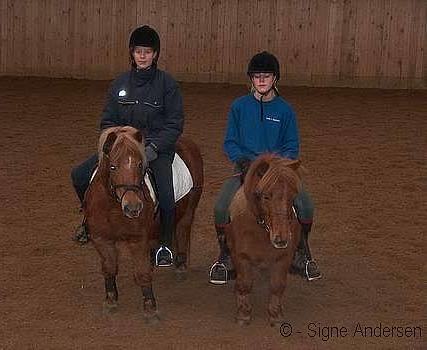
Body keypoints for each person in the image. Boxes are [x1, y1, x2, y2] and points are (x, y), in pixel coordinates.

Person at [70, 25, 183, 268]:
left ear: (155, 55)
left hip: (154, 148)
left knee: (166, 193)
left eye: (147, 52)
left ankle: (164, 243)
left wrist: (154, 148)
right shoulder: (119, 83)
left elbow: (174, 124)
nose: (142, 56)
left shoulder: (167, 85)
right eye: (138, 51)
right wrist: (113, 144)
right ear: (132, 54)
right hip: (122, 151)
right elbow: (108, 121)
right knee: (79, 175)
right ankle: (88, 222)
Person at [209, 51, 321, 285]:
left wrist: (279, 166)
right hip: (247, 168)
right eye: (257, 76)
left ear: (275, 79)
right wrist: (241, 160)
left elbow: (292, 145)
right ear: (251, 79)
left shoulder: (285, 110)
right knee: (221, 208)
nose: (261, 80)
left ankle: (302, 253)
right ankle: (225, 255)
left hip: (279, 171)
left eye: (266, 76)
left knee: (305, 205)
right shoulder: (239, 106)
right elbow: (230, 140)